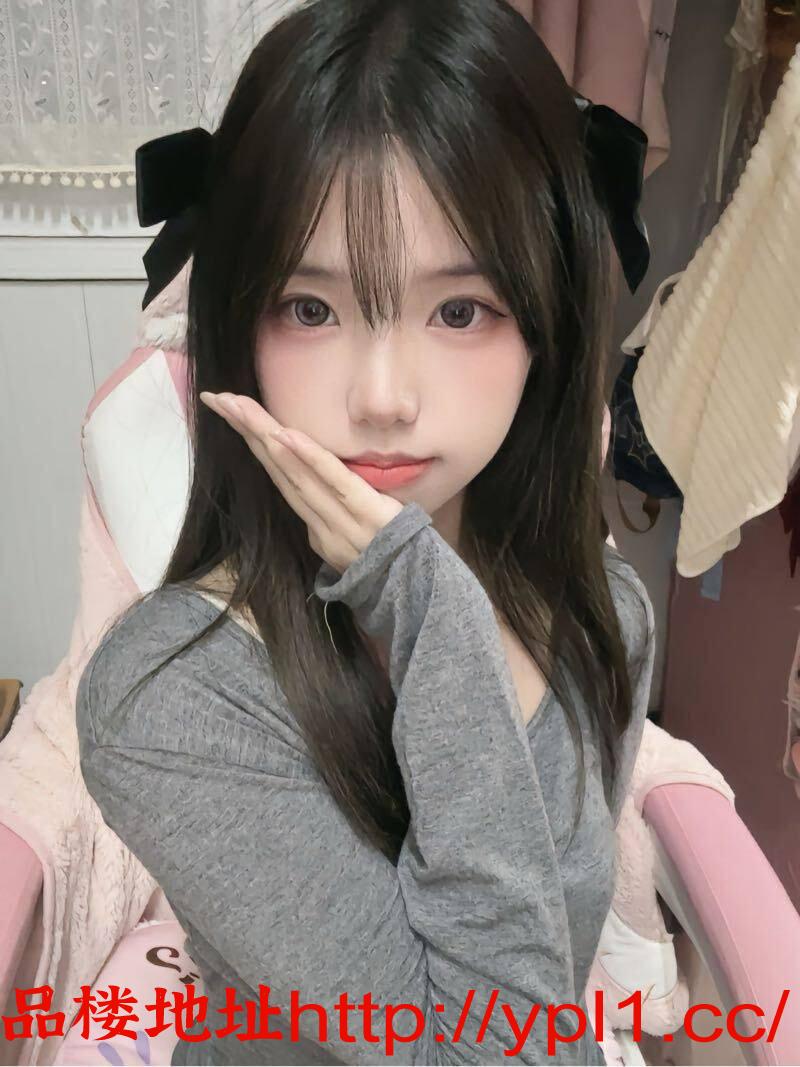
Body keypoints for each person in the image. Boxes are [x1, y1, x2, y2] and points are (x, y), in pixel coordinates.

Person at [75, 0, 656, 1062]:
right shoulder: (169, 690)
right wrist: (426, 602)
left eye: (459, 310)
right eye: (310, 308)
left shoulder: (602, 613)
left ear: (548, 327)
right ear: (238, 325)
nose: (383, 397)